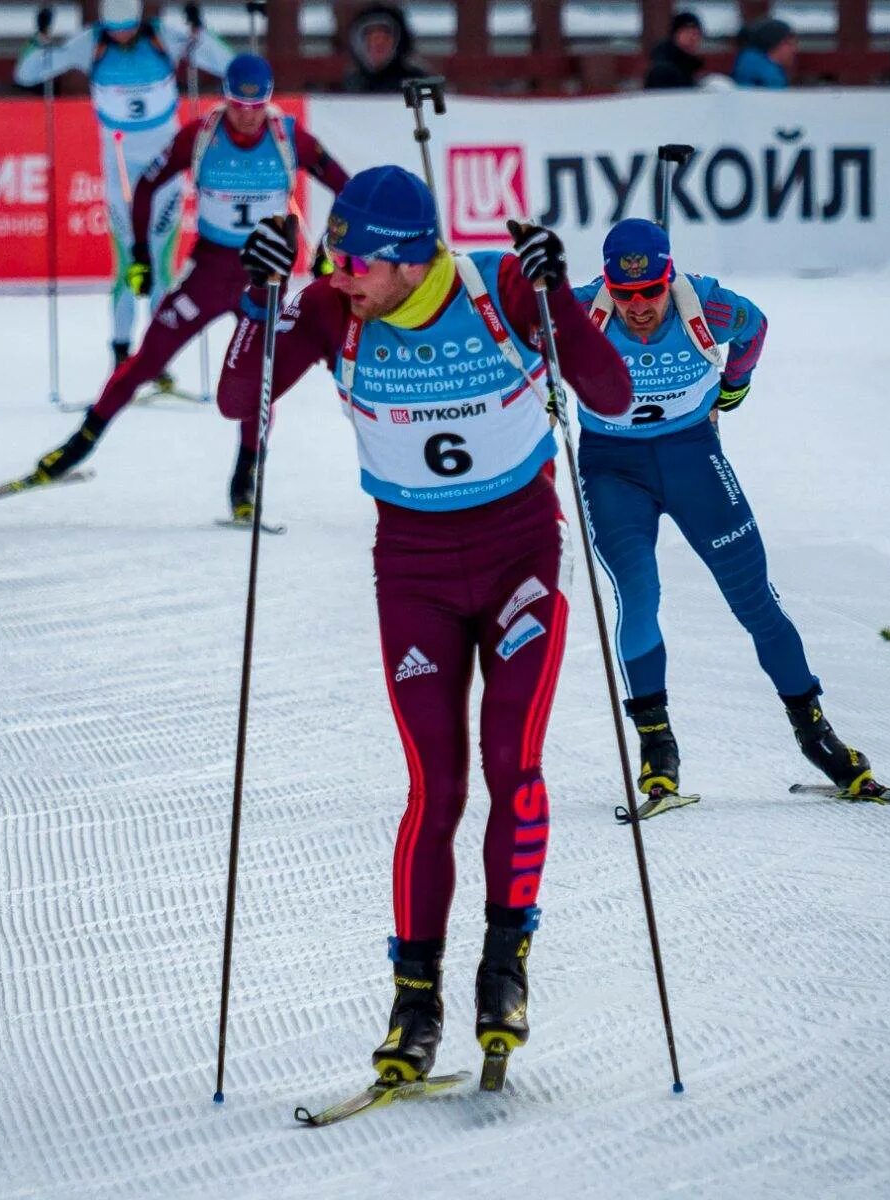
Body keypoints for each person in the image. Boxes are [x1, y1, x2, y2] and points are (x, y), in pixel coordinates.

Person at [215, 167, 632, 1084]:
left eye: (353, 257)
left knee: (512, 763)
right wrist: (262, 296)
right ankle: (415, 999)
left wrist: (559, 291)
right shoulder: (332, 310)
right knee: (433, 790)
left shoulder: (502, 287)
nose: (338, 271)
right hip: (412, 575)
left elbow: (606, 393)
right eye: (330, 254)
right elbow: (238, 402)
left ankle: (502, 968)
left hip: (520, 556)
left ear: (409, 260)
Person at [570, 218, 873, 811]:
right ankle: (658, 747)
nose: (637, 307)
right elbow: (509, 330)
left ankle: (817, 736)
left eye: (650, 291)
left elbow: (756, 328)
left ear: (668, 278)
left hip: (693, 459)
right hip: (613, 468)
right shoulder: (579, 314)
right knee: (638, 595)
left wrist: (734, 388)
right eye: (625, 294)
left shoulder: (709, 306)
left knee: (754, 598)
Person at [32, 54, 349, 524]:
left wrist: (327, 251)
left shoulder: (288, 138)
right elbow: (146, 186)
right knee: (148, 359)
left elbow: (347, 189)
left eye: (256, 105)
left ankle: (244, 480)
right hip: (210, 270)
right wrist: (139, 251)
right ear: (226, 100)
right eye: (238, 104)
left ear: (268, 101)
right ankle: (79, 445)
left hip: (266, 278)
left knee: (256, 384)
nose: (247, 115)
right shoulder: (201, 136)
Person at [14, 0, 232, 368]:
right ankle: (120, 356)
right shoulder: (90, 43)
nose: (123, 36)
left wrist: (200, 31)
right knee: (127, 265)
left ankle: (157, 360)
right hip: (119, 167)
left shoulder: (163, 37)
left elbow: (225, 64)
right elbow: (28, 73)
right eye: (116, 30)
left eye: (129, 28)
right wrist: (39, 38)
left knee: (163, 266)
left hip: (166, 164)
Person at [342, 4, 429, 94]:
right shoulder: (350, 83)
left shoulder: (418, 83)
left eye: (386, 37)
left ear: (399, 42)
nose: (378, 42)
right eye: (369, 36)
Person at [644, 11, 705, 90]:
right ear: (674, 35)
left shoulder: (687, 67)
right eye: (687, 32)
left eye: (696, 34)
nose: (692, 38)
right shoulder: (663, 71)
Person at [732, 18, 796, 89]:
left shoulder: (746, 58)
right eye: (789, 44)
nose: (793, 49)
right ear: (775, 42)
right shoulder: (770, 74)